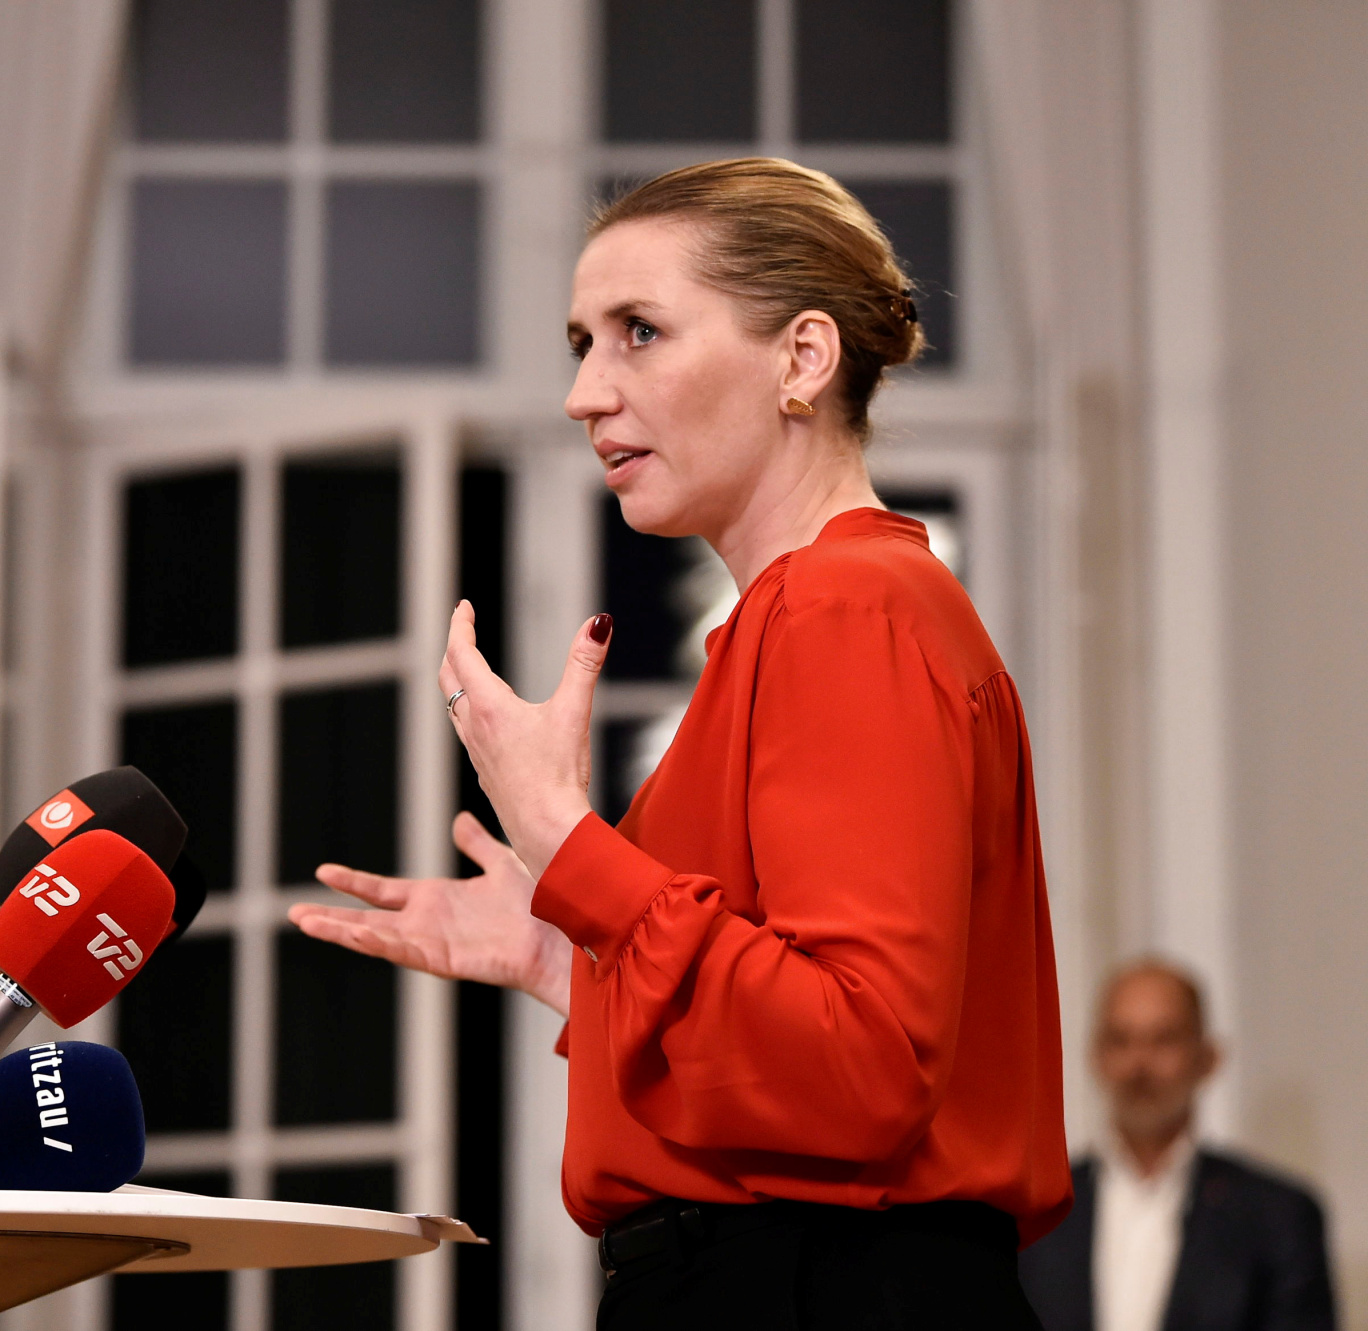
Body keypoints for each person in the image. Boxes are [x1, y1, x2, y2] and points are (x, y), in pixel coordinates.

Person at [289, 158, 1070, 1328]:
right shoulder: (803, 616)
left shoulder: (842, 607)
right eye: (579, 343)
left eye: (638, 332)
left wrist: (567, 844)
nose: (583, 393)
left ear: (801, 359)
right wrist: (574, 962)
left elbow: (854, 1071)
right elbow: (788, 1026)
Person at [1019, 960, 1336, 1331]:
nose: (1139, 1064)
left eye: (1163, 1039)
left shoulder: (1278, 1217)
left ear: (1207, 1057)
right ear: (1095, 1057)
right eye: (1121, 1040)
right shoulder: (1038, 1211)